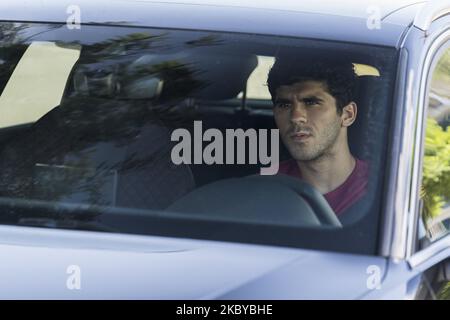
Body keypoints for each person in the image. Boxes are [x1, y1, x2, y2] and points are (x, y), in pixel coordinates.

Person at [267, 57, 369, 216]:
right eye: (284, 105)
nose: (296, 117)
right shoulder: (263, 188)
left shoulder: (385, 192)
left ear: (347, 115)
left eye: (311, 102)